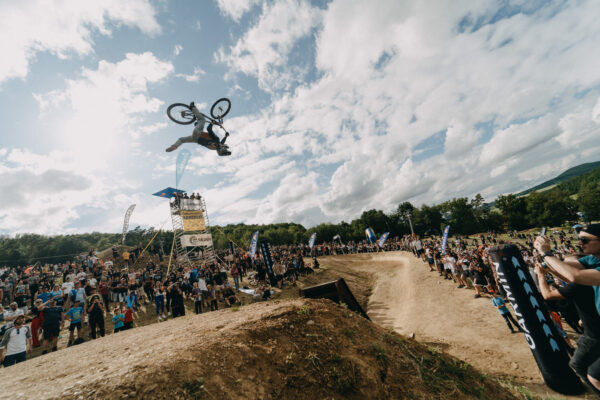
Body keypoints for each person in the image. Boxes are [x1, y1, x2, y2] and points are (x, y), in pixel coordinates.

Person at [534, 224, 600, 391]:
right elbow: (568, 271)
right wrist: (545, 262)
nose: (580, 243)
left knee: (592, 374)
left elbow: (575, 276)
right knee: (588, 370)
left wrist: (546, 254)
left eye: (584, 240)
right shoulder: (594, 259)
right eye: (578, 239)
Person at [166, 102, 231, 156]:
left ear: (222, 147)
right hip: (195, 139)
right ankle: (174, 146)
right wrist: (225, 136)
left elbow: (209, 129)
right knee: (181, 139)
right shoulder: (213, 148)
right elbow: (221, 143)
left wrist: (212, 123)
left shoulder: (217, 140)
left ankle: (192, 107)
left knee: (202, 119)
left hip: (198, 133)